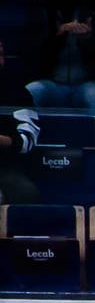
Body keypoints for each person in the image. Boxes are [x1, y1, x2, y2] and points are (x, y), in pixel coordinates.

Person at [0, 41, 42, 205]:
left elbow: (28, 140)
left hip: (4, 166)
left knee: (26, 193)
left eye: (1, 54)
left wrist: (3, 140)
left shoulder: (16, 92)